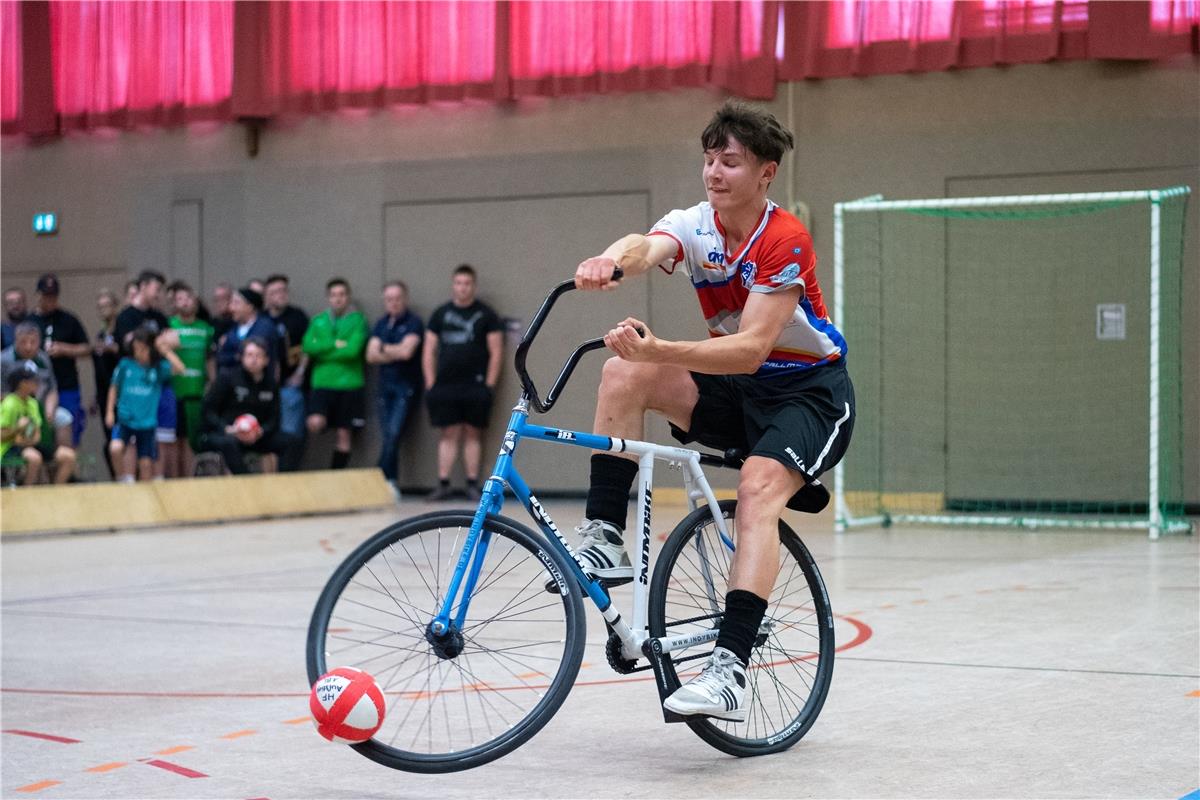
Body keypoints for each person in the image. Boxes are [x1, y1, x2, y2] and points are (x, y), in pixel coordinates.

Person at [567, 101, 855, 722]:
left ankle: (729, 672)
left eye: (730, 162)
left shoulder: (785, 241)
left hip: (808, 394)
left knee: (756, 488)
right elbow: (646, 245)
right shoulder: (697, 223)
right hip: (740, 391)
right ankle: (604, 536)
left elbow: (752, 350)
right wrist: (611, 261)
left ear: (766, 173)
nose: (714, 173)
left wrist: (662, 348)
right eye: (708, 160)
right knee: (623, 370)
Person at [422, 264, 504, 501]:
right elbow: (429, 350)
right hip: (445, 385)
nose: (462, 288)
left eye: (467, 283)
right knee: (448, 433)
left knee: (472, 433)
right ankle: (444, 483)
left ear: (473, 286)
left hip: (476, 385)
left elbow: (496, 351)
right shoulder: (440, 314)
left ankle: (472, 484)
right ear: (453, 285)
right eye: (458, 283)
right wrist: (430, 383)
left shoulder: (487, 315)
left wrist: (489, 385)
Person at [199, 337, 300, 475]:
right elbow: (208, 411)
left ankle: (283, 483)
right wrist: (226, 429)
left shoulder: (271, 384)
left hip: (256, 436)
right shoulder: (227, 378)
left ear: (266, 360)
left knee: (292, 441)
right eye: (249, 355)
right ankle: (246, 483)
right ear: (242, 357)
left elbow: (274, 418)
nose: (254, 360)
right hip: (227, 433)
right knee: (229, 444)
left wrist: (261, 431)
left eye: (258, 355)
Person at [302, 278, 369, 470]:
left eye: (342, 295)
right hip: (322, 382)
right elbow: (307, 346)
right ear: (328, 298)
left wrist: (322, 351)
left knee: (344, 433)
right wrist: (334, 344)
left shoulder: (358, 320)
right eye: (333, 295)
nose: (338, 299)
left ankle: (336, 475)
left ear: (348, 297)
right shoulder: (319, 320)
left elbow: (352, 351)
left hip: (349, 384)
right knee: (315, 422)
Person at [106, 327, 185, 482]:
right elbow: (114, 387)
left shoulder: (158, 369)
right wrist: (109, 411)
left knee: (146, 464)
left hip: (147, 423)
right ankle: (121, 479)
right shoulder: (126, 365)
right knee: (115, 448)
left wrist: (164, 350)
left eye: (142, 349)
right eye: (136, 349)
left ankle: (145, 496)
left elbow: (180, 368)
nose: (138, 353)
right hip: (126, 419)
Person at [366, 281, 423, 488]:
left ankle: (379, 478)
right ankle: (390, 480)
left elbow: (407, 352)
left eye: (397, 298)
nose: (394, 303)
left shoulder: (413, 322)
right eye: (389, 299)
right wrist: (394, 351)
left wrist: (383, 348)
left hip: (405, 386)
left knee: (394, 433)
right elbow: (370, 355)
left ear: (405, 299)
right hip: (384, 387)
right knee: (388, 435)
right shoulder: (381, 323)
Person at [159, 282, 215, 478]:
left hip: (196, 391)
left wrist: (212, 384)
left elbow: (209, 358)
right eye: (179, 299)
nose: (184, 302)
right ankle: (175, 480)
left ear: (196, 302)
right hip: (173, 392)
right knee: (173, 440)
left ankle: (190, 480)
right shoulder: (168, 326)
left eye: (188, 298)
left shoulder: (206, 329)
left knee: (192, 440)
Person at [29, 274, 90, 448]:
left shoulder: (69, 319)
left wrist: (65, 349)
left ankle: (69, 471)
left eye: (53, 296)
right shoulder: (30, 321)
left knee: (70, 428)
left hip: (66, 385)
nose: (50, 300)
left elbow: (86, 348)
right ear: (38, 295)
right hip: (38, 388)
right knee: (41, 432)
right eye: (46, 295)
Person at [0, 322, 73, 447]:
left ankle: (58, 457)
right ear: (15, 341)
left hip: (40, 408)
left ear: (39, 341)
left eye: (33, 342)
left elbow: (52, 389)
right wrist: (20, 408)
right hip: (12, 410)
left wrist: (49, 409)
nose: (28, 347)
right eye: (23, 342)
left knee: (64, 417)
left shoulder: (43, 359)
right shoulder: (4, 360)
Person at [1, 365, 76, 485]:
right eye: (31, 380)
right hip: (10, 448)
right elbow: (2, 435)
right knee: (34, 458)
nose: (36, 383)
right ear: (21, 383)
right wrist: (17, 429)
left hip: (30, 444)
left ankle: (56, 492)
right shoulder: (9, 404)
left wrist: (30, 440)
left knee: (68, 456)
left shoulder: (33, 403)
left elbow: (36, 432)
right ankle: (27, 493)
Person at [264, 274, 310, 467]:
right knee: (268, 434)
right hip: (266, 386)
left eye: (283, 290)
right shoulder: (262, 319)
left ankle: (288, 474)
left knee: (290, 434)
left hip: (289, 386)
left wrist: (299, 373)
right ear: (267, 295)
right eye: (275, 292)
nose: (280, 295)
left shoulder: (297, 317)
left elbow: (308, 348)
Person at [92, 289, 122, 478]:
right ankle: (115, 476)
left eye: (107, 306)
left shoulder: (120, 332)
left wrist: (114, 349)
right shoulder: (100, 335)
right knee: (109, 436)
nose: (104, 310)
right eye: (100, 307)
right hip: (103, 392)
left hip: (121, 392)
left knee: (120, 436)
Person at [215, 286, 277, 373]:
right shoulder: (232, 329)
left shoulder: (265, 327)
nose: (231, 308)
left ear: (250, 306)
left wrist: (236, 355)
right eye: (231, 303)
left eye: (236, 303)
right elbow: (221, 357)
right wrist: (235, 356)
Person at [114, 270, 169, 353]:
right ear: (143, 286)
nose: (158, 295)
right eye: (157, 290)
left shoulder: (159, 317)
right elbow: (128, 344)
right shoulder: (125, 317)